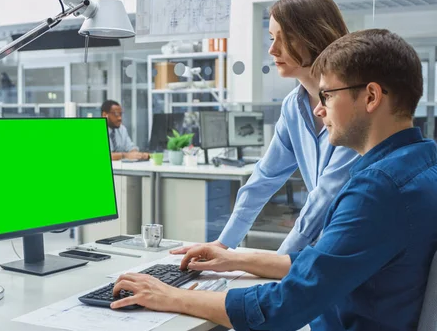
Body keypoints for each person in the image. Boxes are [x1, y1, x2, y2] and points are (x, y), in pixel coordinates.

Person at [111, 29, 437, 330]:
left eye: (327, 96)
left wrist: (168, 295)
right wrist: (236, 258)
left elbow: (282, 308)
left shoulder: (377, 190)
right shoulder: (422, 161)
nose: (319, 111)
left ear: (370, 97)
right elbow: (329, 262)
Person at [172, 0, 359, 256]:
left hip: (354, 246)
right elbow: (264, 177)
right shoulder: (294, 107)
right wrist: (225, 242)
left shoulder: (353, 104)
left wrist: (275, 263)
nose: (273, 50)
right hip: (322, 248)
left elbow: (326, 196)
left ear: (315, 36)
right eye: (272, 38)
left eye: (286, 38)